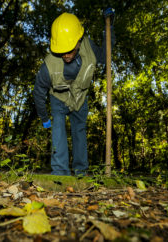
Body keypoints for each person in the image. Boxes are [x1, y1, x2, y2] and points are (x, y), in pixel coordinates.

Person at [33, 9, 115, 176]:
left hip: (80, 98)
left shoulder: (89, 47)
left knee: (79, 130)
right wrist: (44, 118)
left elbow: (106, 55)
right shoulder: (47, 67)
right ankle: (60, 172)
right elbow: (39, 93)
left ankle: (81, 172)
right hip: (58, 99)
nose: (65, 55)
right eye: (62, 50)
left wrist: (109, 29)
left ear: (79, 41)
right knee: (58, 129)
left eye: (69, 49)